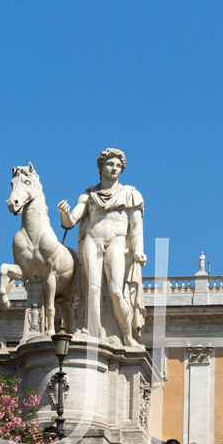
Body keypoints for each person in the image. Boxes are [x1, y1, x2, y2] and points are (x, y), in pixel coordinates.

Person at [58, 148, 146, 346]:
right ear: (101, 167)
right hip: (93, 240)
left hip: (117, 241)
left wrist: (139, 250)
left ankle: (127, 336)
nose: (114, 168)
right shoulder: (89, 195)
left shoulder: (131, 194)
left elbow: (136, 227)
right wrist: (64, 213)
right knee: (92, 289)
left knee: (116, 290)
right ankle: (94, 334)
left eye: (118, 165)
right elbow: (71, 221)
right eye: (110, 164)